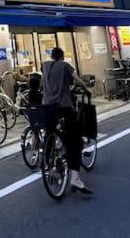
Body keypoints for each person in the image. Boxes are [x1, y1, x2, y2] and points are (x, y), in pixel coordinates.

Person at [42, 47, 93, 195]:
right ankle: (75, 178)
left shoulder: (44, 66)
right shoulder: (65, 66)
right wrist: (86, 89)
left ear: (52, 56)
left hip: (48, 107)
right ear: (62, 57)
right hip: (64, 107)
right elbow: (78, 80)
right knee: (75, 140)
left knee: (50, 133)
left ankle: (48, 163)